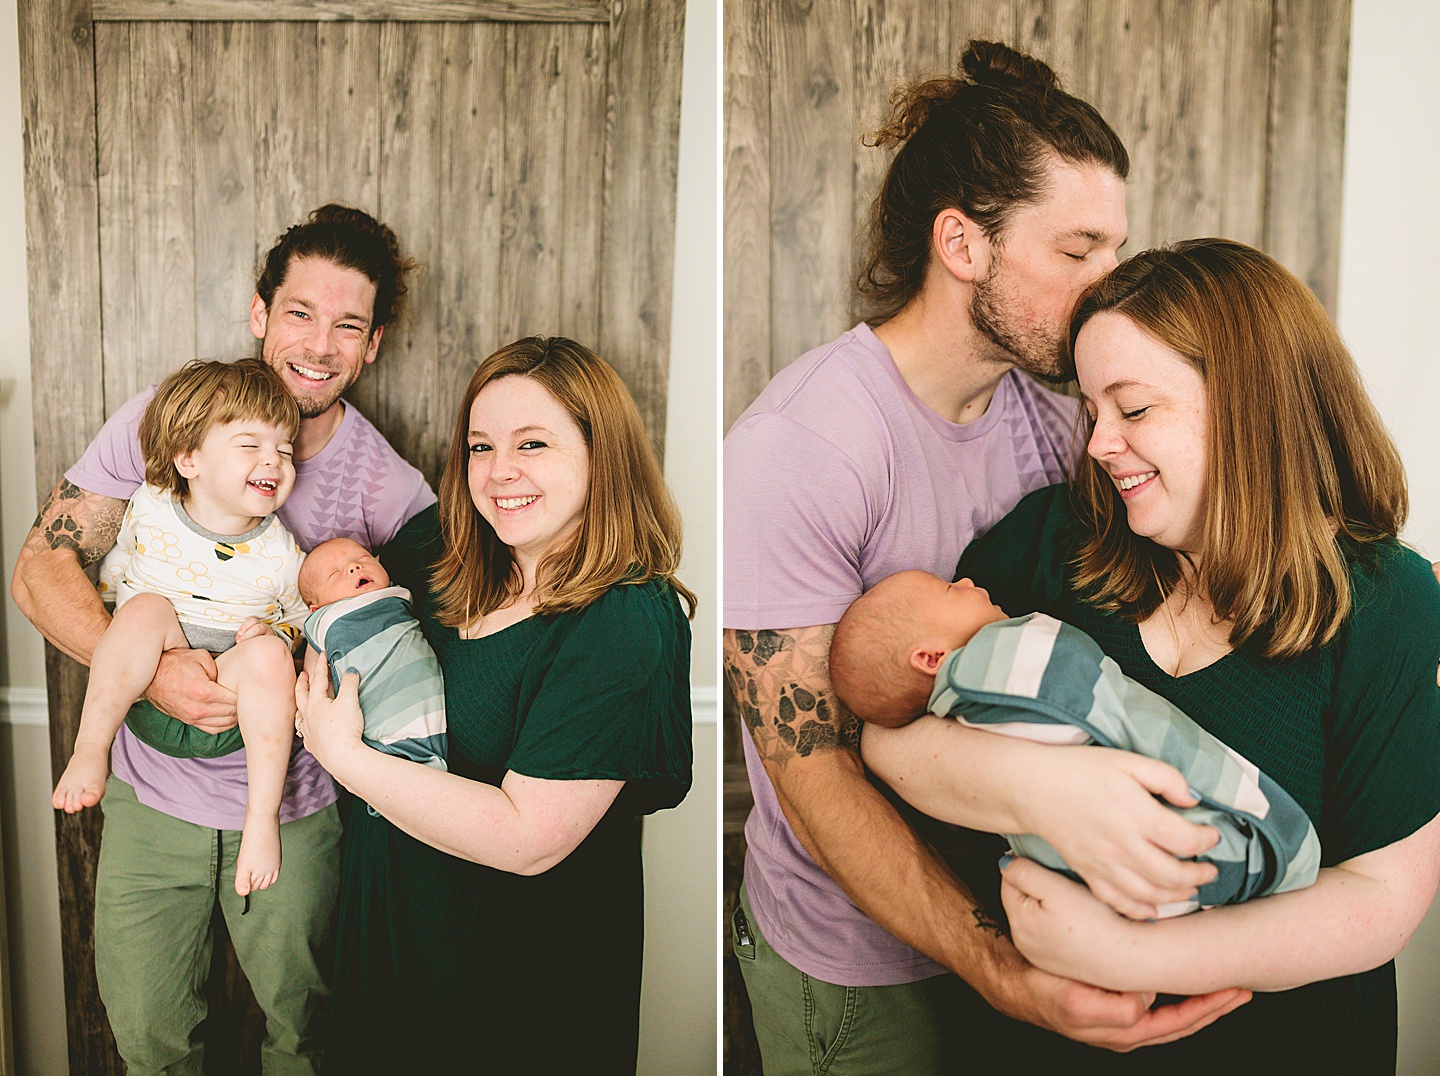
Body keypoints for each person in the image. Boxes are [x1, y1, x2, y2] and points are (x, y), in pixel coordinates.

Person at [724, 39, 1242, 1070]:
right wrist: (1001, 966)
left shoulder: (1059, 422)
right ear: (962, 243)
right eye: (1078, 249)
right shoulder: (802, 447)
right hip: (860, 971)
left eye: (1116, 248)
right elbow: (813, 769)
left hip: (1034, 920)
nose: (1111, 286)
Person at [863, 239, 1440, 1070]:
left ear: (1254, 407)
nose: (1099, 444)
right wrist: (1046, 791)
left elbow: (1384, 897)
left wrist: (1132, 958)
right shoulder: (1051, 543)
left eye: (1132, 410)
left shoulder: (1387, 600)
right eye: (1092, 411)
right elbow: (888, 733)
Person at [10, 204, 433, 1072]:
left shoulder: (387, 487)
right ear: (259, 316)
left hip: (297, 808)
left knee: (305, 1037)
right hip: (148, 800)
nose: (319, 345)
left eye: (347, 325)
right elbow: (40, 572)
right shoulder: (168, 421)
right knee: (149, 1038)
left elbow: (440, 633)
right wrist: (156, 674)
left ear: (373, 345)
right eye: (300, 313)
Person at [294, 336, 695, 1072]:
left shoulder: (624, 618)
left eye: (532, 443)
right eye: (481, 446)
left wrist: (341, 754)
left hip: (505, 999)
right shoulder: (440, 561)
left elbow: (527, 838)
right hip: (387, 955)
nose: (499, 471)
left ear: (601, 454)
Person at [833, 570, 1320, 917]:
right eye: (947, 589)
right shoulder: (985, 674)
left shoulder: (969, 702)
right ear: (931, 657)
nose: (963, 581)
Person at [52, 359, 309, 901]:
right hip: (146, 705)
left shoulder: (282, 553)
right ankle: (89, 748)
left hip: (228, 712)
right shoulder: (150, 507)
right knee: (143, 608)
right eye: (250, 444)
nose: (274, 460)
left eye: (285, 449)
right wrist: (135, 642)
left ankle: (261, 820)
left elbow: (295, 621)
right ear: (188, 457)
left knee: (269, 657)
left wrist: (271, 638)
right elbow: (113, 576)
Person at [298, 537, 446, 772]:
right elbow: (315, 675)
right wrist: (308, 715)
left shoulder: (396, 595)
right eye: (335, 573)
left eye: (362, 559)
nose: (354, 567)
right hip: (376, 731)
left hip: (432, 721)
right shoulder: (325, 619)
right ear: (315, 607)